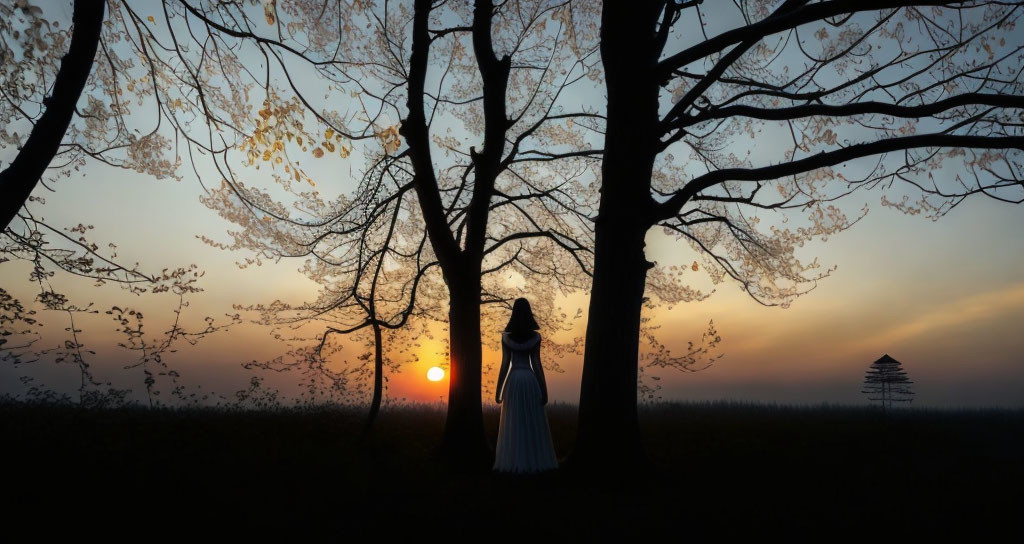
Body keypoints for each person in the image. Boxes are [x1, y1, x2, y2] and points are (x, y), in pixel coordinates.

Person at [492, 297, 559, 474]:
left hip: (513, 381)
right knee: (531, 421)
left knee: (515, 422)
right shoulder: (535, 337)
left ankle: (515, 460)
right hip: (530, 381)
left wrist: (498, 390)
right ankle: (533, 459)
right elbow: (536, 363)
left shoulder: (506, 338)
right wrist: (544, 390)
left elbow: (505, 364)